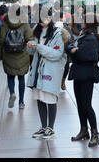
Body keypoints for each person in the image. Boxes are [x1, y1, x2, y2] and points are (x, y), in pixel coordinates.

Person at [27, 7, 69, 140]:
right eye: (40, 20)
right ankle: (44, 127)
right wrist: (31, 46)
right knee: (39, 98)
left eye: (45, 19)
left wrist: (38, 47)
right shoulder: (37, 32)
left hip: (51, 71)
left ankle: (51, 128)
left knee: (50, 98)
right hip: (38, 70)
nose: (42, 22)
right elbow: (33, 53)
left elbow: (56, 54)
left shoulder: (58, 33)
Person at [68, 12, 99, 148]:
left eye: (83, 19)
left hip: (86, 74)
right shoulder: (84, 35)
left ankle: (95, 133)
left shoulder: (90, 38)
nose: (80, 21)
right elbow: (72, 47)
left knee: (86, 104)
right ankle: (84, 130)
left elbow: (84, 56)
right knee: (80, 104)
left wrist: (74, 51)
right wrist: (73, 50)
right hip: (80, 73)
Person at [0, 6, 33, 109]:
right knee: (21, 78)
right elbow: (29, 39)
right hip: (22, 55)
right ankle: (21, 102)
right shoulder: (25, 24)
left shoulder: (5, 24)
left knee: (10, 76)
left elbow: (0, 40)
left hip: (8, 55)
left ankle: (12, 93)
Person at [55, 11, 74, 91]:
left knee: (65, 68)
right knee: (62, 68)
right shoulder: (55, 26)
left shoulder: (66, 27)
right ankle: (59, 82)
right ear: (60, 18)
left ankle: (62, 82)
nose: (65, 18)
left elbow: (71, 38)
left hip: (63, 51)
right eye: (64, 17)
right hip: (59, 51)